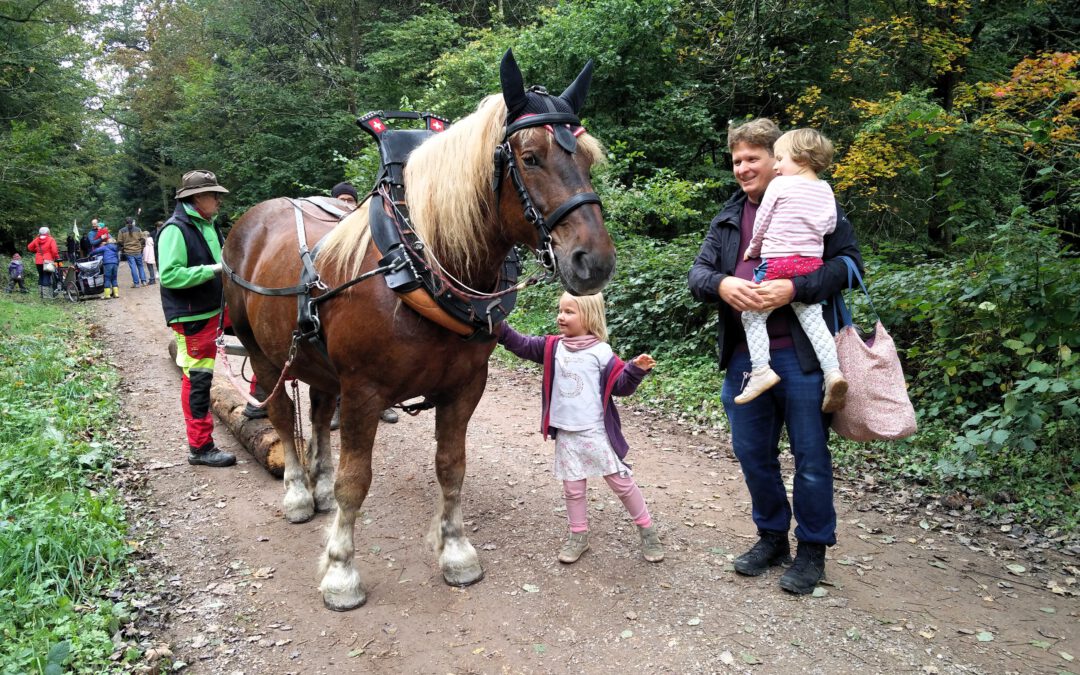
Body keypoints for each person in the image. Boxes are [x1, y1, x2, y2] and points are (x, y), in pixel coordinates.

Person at [688, 118, 863, 595]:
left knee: (810, 457)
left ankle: (812, 552)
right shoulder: (727, 218)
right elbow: (698, 273)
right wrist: (723, 283)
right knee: (751, 454)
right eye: (736, 161)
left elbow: (849, 266)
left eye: (752, 159)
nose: (743, 169)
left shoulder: (813, 199)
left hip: (805, 360)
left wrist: (795, 287)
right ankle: (771, 538)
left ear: (779, 160)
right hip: (748, 360)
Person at [497, 292, 664, 564]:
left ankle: (647, 529)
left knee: (621, 484)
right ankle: (579, 535)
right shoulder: (553, 347)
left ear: (589, 316)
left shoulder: (601, 352)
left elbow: (620, 387)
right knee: (573, 489)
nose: (561, 316)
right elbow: (523, 345)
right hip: (566, 434)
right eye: (560, 310)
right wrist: (499, 326)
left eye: (569, 312)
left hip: (595, 432)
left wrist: (635, 370)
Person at [737, 128, 848, 412]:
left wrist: (754, 248)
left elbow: (762, 222)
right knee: (814, 321)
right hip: (810, 264)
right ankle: (833, 372)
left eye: (780, 158)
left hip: (777, 262)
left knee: (752, 315)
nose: (776, 166)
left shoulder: (779, 185)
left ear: (800, 157)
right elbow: (829, 226)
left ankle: (761, 370)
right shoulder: (825, 189)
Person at [158, 169, 236, 468]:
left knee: (262, 336)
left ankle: (257, 402)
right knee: (199, 379)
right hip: (193, 316)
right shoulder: (175, 230)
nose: (218, 200)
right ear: (196, 198)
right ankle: (200, 447)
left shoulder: (208, 224)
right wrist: (215, 270)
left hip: (218, 308)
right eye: (213, 194)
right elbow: (170, 275)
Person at [27, 227, 59, 299]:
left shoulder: (37, 239)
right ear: (48, 232)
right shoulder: (51, 239)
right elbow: (54, 251)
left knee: (41, 276)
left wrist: (36, 250)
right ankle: (46, 296)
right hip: (48, 261)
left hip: (38, 261)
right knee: (47, 276)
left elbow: (29, 247)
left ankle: (41, 294)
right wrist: (56, 257)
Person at [118, 216, 149, 287]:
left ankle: (136, 283)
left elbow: (119, 241)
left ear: (125, 222)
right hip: (138, 250)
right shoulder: (138, 229)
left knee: (133, 267)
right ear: (132, 222)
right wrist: (139, 245)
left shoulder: (121, 230)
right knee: (140, 266)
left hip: (128, 252)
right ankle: (144, 281)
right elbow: (143, 239)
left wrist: (124, 246)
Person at [91, 234, 121, 298]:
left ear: (108, 242)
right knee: (114, 278)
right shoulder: (116, 248)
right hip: (115, 264)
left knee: (107, 278)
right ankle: (116, 294)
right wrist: (117, 263)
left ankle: (107, 295)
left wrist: (90, 254)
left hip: (107, 264)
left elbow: (96, 251)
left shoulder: (105, 247)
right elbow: (118, 257)